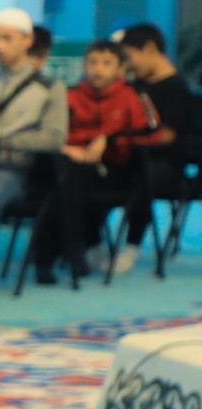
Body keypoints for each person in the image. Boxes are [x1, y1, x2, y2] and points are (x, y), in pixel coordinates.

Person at [32, 38, 165, 283]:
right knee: (60, 176)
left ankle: (66, 250)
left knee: (66, 181)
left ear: (120, 69)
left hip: (116, 170)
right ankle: (60, 253)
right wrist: (66, 148)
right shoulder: (69, 95)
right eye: (93, 62)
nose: (98, 69)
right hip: (72, 165)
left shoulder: (133, 95)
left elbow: (153, 131)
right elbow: (47, 132)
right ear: (84, 66)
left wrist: (109, 139)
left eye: (106, 63)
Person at [0, 8, 67, 285]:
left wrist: (2, 142)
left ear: (28, 40)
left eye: (7, 38)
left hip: (14, 168)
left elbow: (54, 138)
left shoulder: (50, 87)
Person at [120, 22, 190, 210]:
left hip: (163, 163)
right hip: (132, 158)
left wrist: (126, 140)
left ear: (150, 48)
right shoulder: (133, 86)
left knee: (143, 174)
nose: (128, 65)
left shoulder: (176, 87)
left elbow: (167, 135)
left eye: (129, 57)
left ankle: (134, 230)